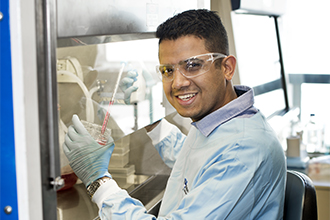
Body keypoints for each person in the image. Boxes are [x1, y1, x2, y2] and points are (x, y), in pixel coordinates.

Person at [63, 9, 286, 219]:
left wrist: (98, 181)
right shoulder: (223, 123)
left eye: (193, 65)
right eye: (168, 70)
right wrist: (151, 118)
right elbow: (194, 159)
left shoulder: (243, 149)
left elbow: (220, 161)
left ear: (227, 67)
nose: (177, 83)